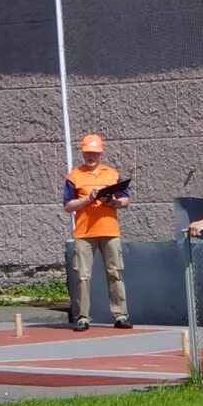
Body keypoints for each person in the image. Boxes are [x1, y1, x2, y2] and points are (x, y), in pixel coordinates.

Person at [64, 132, 131, 331]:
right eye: (87, 153)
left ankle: (120, 315)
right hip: (84, 233)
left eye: (94, 153)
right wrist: (88, 199)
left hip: (110, 230)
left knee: (115, 272)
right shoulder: (74, 176)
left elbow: (126, 200)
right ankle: (83, 317)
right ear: (83, 153)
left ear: (101, 153)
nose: (90, 156)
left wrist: (113, 202)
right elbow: (68, 205)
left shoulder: (112, 174)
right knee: (82, 276)